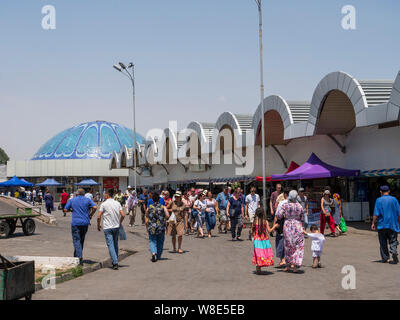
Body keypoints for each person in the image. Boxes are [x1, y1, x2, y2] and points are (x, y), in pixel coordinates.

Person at [64, 188, 97, 265]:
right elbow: (95, 207)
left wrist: (71, 210)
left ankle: (79, 257)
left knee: (76, 240)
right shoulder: (87, 200)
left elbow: (65, 209)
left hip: (76, 223)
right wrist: (91, 215)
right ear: (84, 194)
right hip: (85, 223)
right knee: (81, 240)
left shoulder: (72, 200)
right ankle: (76, 256)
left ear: (77, 194)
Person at [276, 190, 305, 273]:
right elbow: (302, 217)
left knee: (288, 246)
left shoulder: (285, 205)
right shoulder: (299, 206)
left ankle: (288, 266)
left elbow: (278, 215)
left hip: (288, 227)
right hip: (298, 226)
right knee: (297, 246)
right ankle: (295, 266)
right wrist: (302, 227)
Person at [97, 189, 125, 270]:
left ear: (107, 195)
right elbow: (123, 215)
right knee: (115, 244)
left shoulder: (104, 204)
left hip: (107, 227)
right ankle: (115, 261)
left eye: (104, 194)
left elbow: (99, 216)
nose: (104, 195)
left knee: (110, 245)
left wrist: (98, 225)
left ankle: (115, 262)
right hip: (116, 227)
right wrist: (119, 223)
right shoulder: (117, 203)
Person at [372, 185, 400, 264]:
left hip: (382, 225)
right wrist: (398, 223)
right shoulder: (394, 199)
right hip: (393, 224)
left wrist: (373, 223)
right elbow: (399, 213)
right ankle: (393, 250)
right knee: (393, 240)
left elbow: (376, 213)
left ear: (380, 192)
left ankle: (385, 258)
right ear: (389, 191)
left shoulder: (378, 200)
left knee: (383, 242)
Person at [252, 207, 277, 274]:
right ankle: (260, 266)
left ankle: (258, 268)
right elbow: (269, 231)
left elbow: (252, 232)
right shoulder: (265, 222)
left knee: (258, 253)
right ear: (263, 214)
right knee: (264, 252)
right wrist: (275, 226)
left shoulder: (254, 222)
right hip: (264, 240)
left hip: (257, 239)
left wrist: (254, 235)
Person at [146, 192, 169, 262]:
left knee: (152, 241)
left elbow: (146, 217)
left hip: (152, 227)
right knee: (160, 241)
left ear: (152, 200)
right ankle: (158, 255)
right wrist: (163, 218)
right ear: (159, 199)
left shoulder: (149, 207)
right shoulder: (163, 207)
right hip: (161, 226)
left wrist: (146, 226)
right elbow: (167, 215)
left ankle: (153, 253)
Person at [274, 189, 289, 267]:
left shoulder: (282, 203)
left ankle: (282, 260)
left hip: (283, 225)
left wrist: (274, 226)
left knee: (280, 241)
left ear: (285, 195)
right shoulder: (296, 204)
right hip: (292, 226)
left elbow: (277, 215)